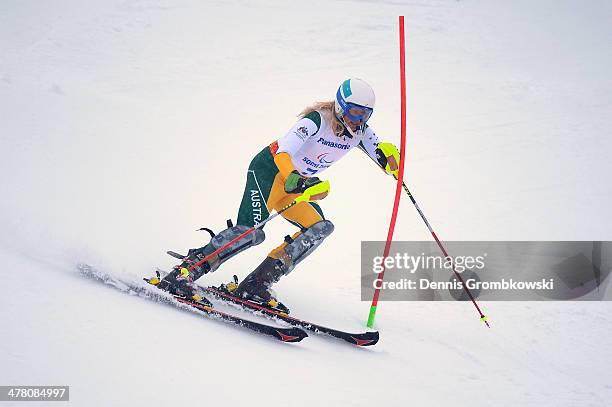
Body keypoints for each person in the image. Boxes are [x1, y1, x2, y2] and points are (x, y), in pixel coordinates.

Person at [152, 78, 400, 313]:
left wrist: (391, 160)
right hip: (270, 171)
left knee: (319, 228)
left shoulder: (361, 131)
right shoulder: (316, 121)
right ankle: (184, 274)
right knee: (250, 232)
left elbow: (384, 162)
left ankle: (256, 285)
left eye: (365, 114)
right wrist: (300, 181)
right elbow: (283, 153)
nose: (359, 119)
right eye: (355, 112)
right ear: (341, 105)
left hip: (295, 185)